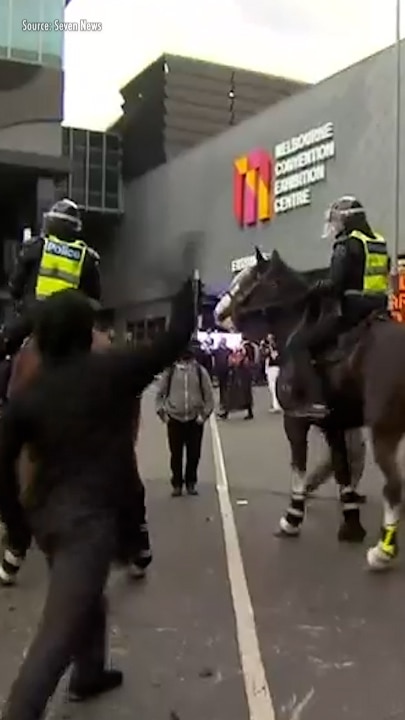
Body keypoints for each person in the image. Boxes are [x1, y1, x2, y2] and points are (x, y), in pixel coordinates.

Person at [0, 278, 197, 720]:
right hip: (88, 520)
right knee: (57, 634)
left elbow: (3, 461)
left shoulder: (28, 396)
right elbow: (172, 340)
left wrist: (16, 525)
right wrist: (187, 289)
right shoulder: (110, 372)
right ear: (84, 332)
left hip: (46, 517)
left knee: (87, 597)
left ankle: (89, 672)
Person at [290, 195, 389, 419]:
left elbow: (335, 283)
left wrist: (312, 289)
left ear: (346, 221)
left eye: (336, 222)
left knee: (299, 343)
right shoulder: (378, 241)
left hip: (353, 311)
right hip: (380, 308)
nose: (334, 227)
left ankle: (314, 400)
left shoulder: (346, 244)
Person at [0, 198, 101, 363]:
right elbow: (95, 297)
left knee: (4, 344)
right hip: (71, 321)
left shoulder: (36, 246)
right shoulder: (87, 256)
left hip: (36, 316)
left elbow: (16, 285)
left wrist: (18, 297)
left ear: (52, 223)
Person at [156, 342, 214, 496]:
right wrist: (163, 414)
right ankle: (177, 484)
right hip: (174, 419)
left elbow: (209, 397)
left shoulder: (200, 372)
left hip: (195, 420)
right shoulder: (171, 372)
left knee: (194, 454)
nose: (185, 358)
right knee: (176, 454)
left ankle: (190, 483)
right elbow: (160, 395)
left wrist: (203, 415)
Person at [264, 333, 281, 412]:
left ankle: (276, 405)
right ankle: (276, 404)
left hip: (273, 368)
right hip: (275, 367)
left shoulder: (272, 347)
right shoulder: (276, 346)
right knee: (273, 386)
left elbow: (272, 356)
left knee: (273, 387)